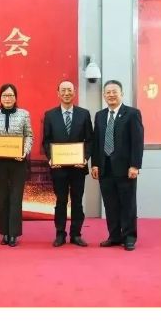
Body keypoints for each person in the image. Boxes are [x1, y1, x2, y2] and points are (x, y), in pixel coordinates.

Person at [91, 80, 144, 251]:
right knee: (110, 204)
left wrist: (135, 165)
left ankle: (129, 237)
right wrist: (95, 164)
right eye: (108, 92)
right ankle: (114, 236)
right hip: (105, 168)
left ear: (122, 93)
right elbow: (96, 142)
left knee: (128, 204)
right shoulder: (100, 115)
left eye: (114, 91)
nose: (111, 95)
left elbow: (137, 142)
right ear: (104, 95)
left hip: (126, 168)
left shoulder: (132, 113)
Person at [42, 80, 94, 247]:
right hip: (59, 168)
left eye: (69, 90)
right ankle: (60, 234)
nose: (66, 93)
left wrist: (85, 158)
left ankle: (76, 234)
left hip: (78, 167)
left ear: (74, 92)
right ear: (58, 93)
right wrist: (51, 158)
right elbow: (46, 141)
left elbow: (90, 140)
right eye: (63, 90)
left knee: (77, 201)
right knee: (60, 201)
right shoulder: (50, 115)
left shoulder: (84, 114)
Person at [0, 83, 33, 247]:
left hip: (18, 162)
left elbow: (29, 136)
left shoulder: (24, 114)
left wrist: (25, 151)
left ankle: (13, 233)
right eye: (5, 95)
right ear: (0, 98)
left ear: (15, 97)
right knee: (2, 197)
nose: (8, 98)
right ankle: (4, 232)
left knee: (15, 197)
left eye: (11, 95)